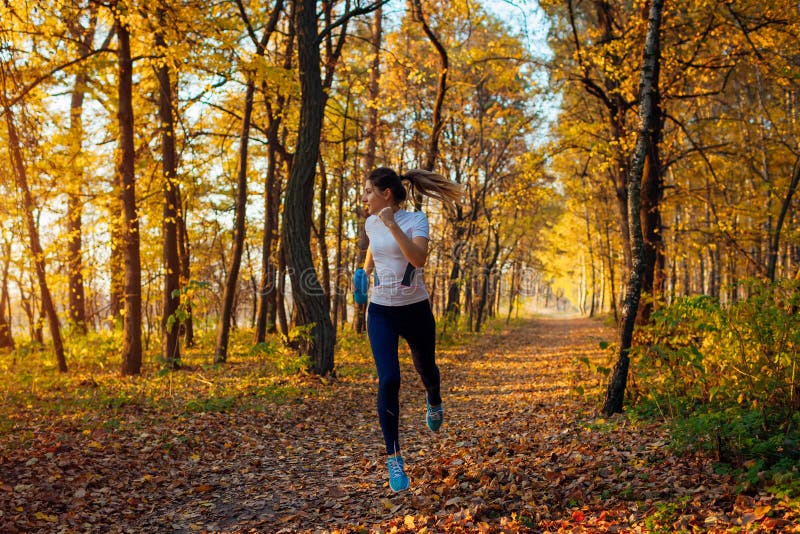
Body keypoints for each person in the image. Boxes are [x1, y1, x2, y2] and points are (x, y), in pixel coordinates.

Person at [355, 166, 463, 492]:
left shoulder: (416, 220)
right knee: (389, 379)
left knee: (426, 368)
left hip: (415, 310)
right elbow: (375, 247)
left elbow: (418, 259)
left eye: (368, 192)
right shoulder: (370, 223)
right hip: (381, 312)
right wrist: (363, 272)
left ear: (386, 194)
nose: (364, 198)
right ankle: (394, 458)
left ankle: (434, 398)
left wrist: (392, 225)